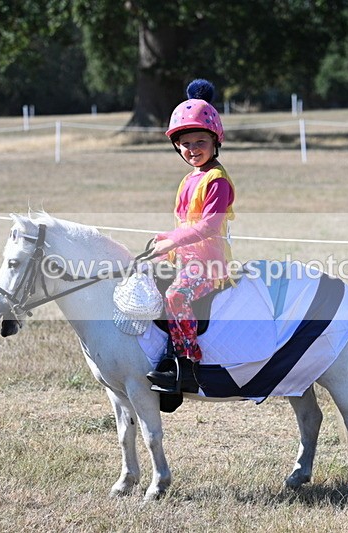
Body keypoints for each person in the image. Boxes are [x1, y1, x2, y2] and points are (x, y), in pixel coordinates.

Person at [146, 79, 235, 392]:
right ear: (176, 146)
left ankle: (187, 365)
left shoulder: (217, 180)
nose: (193, 149)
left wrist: (174, 240)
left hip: (209, 265)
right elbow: (184, 224)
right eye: (186, 144)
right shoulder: (188, 179)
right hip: (183, 261)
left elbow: (209, 226)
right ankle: (161, 354)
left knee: (176, 296)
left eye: (200, 142)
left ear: (215, 141)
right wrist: (163, 243)